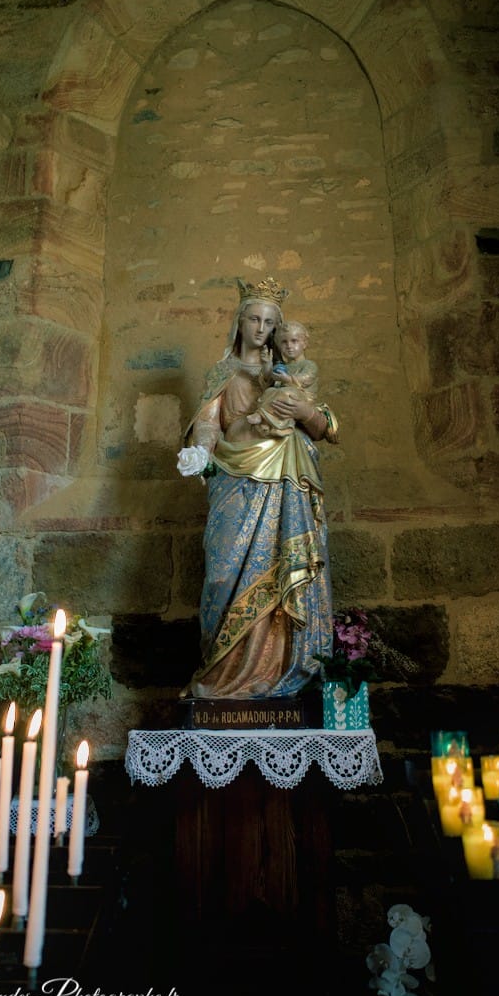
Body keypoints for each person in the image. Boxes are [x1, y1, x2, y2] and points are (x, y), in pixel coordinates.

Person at [177, 277, 339, 700]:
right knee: (223, 574)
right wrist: (199, 455)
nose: (261, 328)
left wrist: (303, 407)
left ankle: (277, 676)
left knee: (283, 570)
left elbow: (323, 427)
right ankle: (220, 675)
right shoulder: (223, 372)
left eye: (270, 321)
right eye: (254, 318)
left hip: (288, 479)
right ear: (239, 322)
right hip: (235, 477)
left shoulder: (292, 373)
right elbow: (209, 425)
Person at [246, 319, 320, 438]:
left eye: (294, 341)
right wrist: (267, 365)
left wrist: (287, 379)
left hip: (302, 397)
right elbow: (268, 382)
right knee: (271, 391)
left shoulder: (309, 365)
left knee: (287, 392)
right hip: (283, 398)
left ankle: (265, 417)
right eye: (284, 342)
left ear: (305, 343)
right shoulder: (283, 367)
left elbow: (306, 379)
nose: (289, 346)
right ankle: (269, 423)